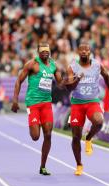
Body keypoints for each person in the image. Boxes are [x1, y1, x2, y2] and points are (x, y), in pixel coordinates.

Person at [11, 42, 64, 175]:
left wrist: (73, 79)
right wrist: (15, 100)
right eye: (42, 51)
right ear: (38, 52)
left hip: (46, 103)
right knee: (35, 136)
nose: (45, 52)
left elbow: (61, 83)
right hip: (33, 103)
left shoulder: (53, 65)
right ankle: (36, 123)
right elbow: (19, 81)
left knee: (48, 134)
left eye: (47, 50)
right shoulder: (32, 64)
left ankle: (43, 166)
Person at [65, 42, 109, 176]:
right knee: (76, 137)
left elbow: (107, 77)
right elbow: (69, 87)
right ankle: (79, 164)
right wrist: (77, 79)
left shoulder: (97, 65)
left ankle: (88, 138)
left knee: (99, 122)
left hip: (92, 101)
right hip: (77, 104)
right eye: (81, 50)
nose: (84, 52)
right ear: (78, 52)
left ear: (90, 52)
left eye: (86, 50)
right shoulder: (72, 67)